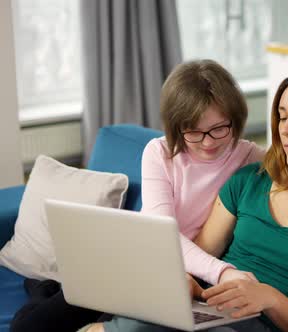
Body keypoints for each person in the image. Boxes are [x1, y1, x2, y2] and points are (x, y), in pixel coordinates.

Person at [90, 66, 288, 332]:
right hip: (210, 308)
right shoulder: (249, 179)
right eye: (282, 116)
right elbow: (199, 256)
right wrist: (185, 282)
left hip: (258, 324)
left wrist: (269, 298)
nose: (286, 129)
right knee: (140, 321)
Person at [10, 59, 264, 332]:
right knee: (28, 329)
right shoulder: (160, 153)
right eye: (194, 131)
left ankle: (54, 290)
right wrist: (223, 271)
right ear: (177, 127)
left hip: (188, 277)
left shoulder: (250, 157)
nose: (208, 142)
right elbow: (163, 234)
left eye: (219, 128)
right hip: (137, 261)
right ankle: (42, 290)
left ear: (235, 119)